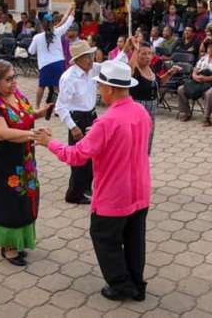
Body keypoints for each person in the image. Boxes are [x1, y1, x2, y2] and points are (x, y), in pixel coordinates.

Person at [34, 60, 152, 302]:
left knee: (104, 237)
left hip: (115, 194)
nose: (99, 90)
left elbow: (76, 156)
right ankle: (137, 284)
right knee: (134, 239)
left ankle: (120, 285)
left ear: (109, 89)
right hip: (140, 190)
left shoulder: (106, 122)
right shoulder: (140, 111)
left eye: (100, 86)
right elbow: (125, 141)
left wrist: (49, 143)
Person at [0, 60, 51, 266]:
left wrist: (39, 113)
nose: (13, 82)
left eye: (14, 77)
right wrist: (33, 134)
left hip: (23, 157)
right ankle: (8, 246)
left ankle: (20, 240)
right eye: (8, 79)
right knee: (7, 202)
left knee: (25, 198)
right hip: (0, 163)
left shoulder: (17, 95)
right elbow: (1, 133)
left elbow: (24, 115)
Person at [55, 41, 101, 205]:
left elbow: (110, 66)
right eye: (87, 57)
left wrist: (125, 51)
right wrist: (73, 127)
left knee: (92, 155)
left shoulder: (92, 69)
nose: (91, 60)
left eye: (91, 56)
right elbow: (60, 106)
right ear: (78, 59)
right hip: (78, 119)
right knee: (79, 158)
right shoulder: (69, 77)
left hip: (91, 115)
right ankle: (74, 193)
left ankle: (85, 188)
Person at [129, 42, 180, 152]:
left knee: (148, 136)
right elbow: (131, 67)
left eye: (150, 53)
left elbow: (159, 82)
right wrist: (135, 48)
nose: (147, 56)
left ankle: (144, 162)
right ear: (136, 54)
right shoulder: (134, 70)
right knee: (136, 138)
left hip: (151, 109)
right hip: (137, 109)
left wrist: (170, 73)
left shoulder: (151, 68)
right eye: (143, 53)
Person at [28, 5, 75, 108]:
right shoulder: (57, 32)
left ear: (42, 25)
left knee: (42, 86)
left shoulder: (37, 37)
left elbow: (31, 51)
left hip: (45, 64)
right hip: (58, 62)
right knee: (57, 87)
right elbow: (67, 23)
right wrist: (72, 13)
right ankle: (56, 108)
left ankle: (37, 106)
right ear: (52, 24)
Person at [177, 38, 212, 126]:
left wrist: (206, 79)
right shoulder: (203, 58)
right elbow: (195, 70)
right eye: (209, 47)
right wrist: (195, 76)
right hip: (199, 81)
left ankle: (206, 118)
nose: (210, 49)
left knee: (209, 94)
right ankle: (186, 113)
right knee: (181, 89)